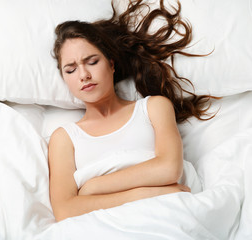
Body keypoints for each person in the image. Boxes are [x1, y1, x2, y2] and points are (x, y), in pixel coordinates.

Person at [48, 0, 216, 222]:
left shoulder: (154, 107)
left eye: (92, 61)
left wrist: (93, 187)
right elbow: (65, 210)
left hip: (168, 216)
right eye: (70, 70)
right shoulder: (64, 138)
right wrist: (146, 193)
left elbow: (169, 169)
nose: (83, 75)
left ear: (111, 64)